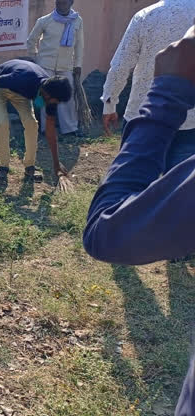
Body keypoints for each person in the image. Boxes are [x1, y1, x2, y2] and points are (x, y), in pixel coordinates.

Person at [83, 25, 195, 415]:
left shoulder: (147, 16)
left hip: (162, 114)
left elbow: (107, 231)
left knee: (154, 204)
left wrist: (110, 101)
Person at [101, 0, 195, 171]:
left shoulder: (145, 16)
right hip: (191, 123)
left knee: (136, 189)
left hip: (145, 116)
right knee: (181, 195)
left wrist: (109, 103)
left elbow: (121, 64)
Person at [0, 59, 73, 182]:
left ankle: (30, 166)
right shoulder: (23, 78)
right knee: (3, 123)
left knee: (32, 124)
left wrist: (56, 163)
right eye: (54, 101)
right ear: (46, 94)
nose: (54, 104)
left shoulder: (52, 95)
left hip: (20, 94)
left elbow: (51, 131)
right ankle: (3, 167)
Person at [26, 0, 84, 135]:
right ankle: (46, 128)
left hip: (66, 65)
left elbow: (79, 45)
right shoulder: (45, 20)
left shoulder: (77, 20)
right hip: (46, 64)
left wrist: (78, 65)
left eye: (64, 3)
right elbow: (31, 41)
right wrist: (35, 59)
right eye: (58, 3)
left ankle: (70, 128)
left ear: (71, 3)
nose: (60, 6)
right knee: (46, 97)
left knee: (68, 96)